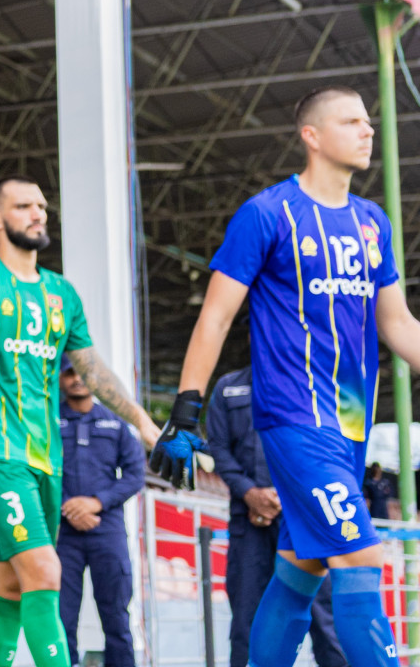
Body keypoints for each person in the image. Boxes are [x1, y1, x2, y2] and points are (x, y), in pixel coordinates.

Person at [152, 85, 420, 667]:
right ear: (312, 137)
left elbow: (398, 323)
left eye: (369, 122)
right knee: (362, 559)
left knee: (301, 570)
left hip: (351, 425)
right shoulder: (267, 213)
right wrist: (186, 407)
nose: (368, 130)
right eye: (352, 121)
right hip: (295, 420)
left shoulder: (372, 222)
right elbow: (217, 315)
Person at [0, 176, 160, 667]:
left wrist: (143, 422)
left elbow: (92, 369)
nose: (38, 213)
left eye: (42, 205)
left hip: (47, 461)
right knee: (46, 571)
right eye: (23, 206)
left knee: (9, 587)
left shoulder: (61, 294)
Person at [207, 365, 346, 667]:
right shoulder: (228, 387)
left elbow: (331, 444)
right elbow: (217, 447)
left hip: (305, 519)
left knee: (323, 618)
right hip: (248, 522)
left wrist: (284, 497)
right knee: (248, 618)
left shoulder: (314, 380)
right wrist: (250, 494)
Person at [54, 357, 145, 667]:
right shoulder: (48, 421)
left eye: (82, 372)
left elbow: (135, 475)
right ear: (60, 378)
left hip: (107, 531)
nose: (77, 378)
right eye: (69, 372)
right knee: (61, 616)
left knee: (117, 618)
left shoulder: (117, 422)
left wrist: (95, 502)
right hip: (62, 533)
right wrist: (69, 506)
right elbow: (40, 469)